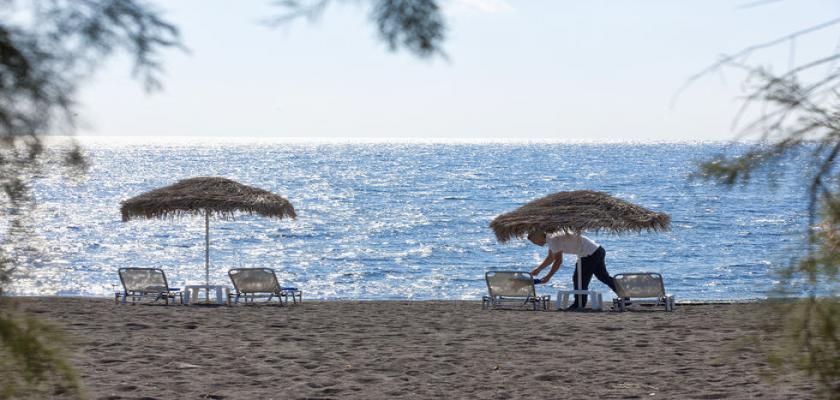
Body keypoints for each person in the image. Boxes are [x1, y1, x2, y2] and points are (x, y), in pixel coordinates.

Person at [528, 231, 618, 310]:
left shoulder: (553, 239)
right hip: (597, 250)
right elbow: (551, 257)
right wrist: (539, 269)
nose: (535, 243)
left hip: (589, 253)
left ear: (538, 235)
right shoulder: (552, 239)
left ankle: (578, 304)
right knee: (603, 277)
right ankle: (624, 296)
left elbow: (558, 261)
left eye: (534, 240)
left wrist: (548, 277)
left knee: (579, 278)